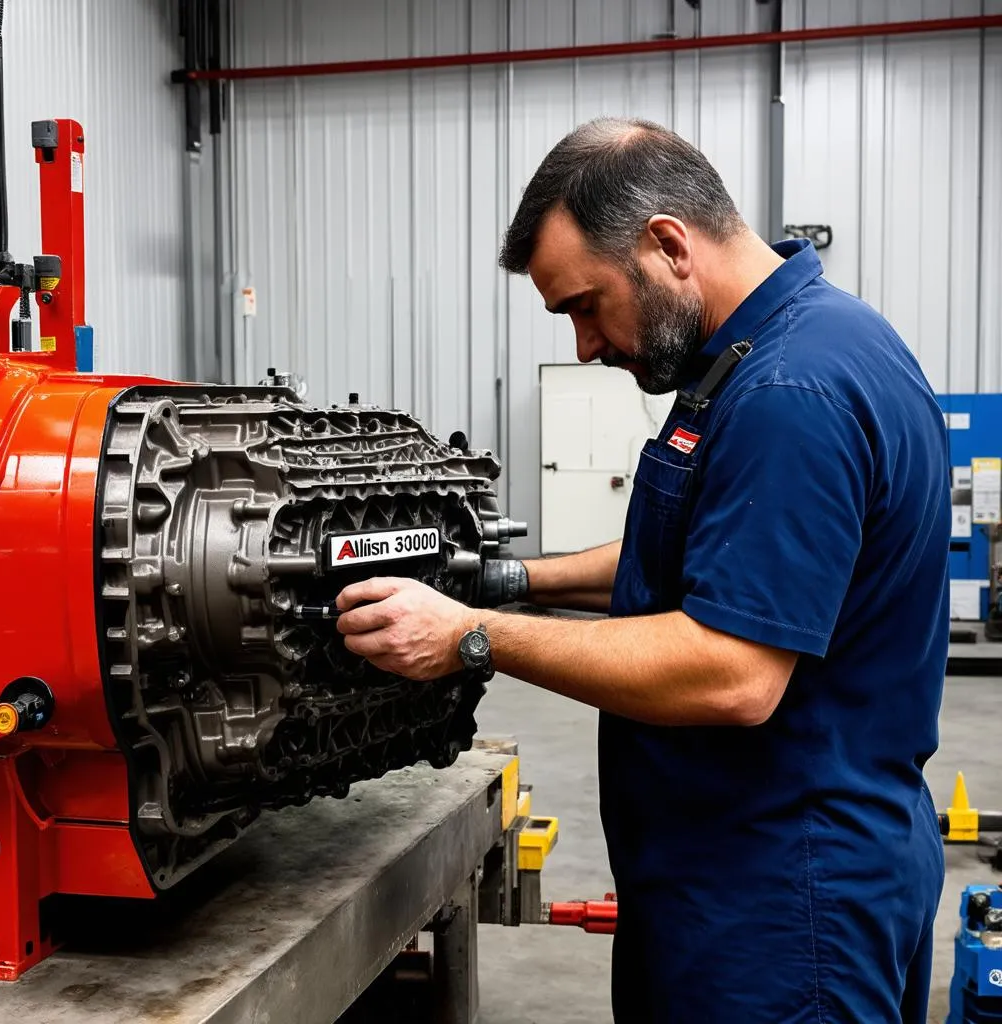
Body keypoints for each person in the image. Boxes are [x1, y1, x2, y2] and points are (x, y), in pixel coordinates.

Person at [334, 117, 950, 1022]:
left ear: (668, 244)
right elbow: (717, 554)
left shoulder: (789, 395)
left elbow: (733, 671)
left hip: (780, 905)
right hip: (762, 874)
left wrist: (470, 637)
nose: (585, 344)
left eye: (585, 305)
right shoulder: (795, 347)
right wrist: (510, 582)